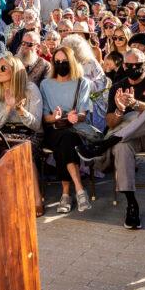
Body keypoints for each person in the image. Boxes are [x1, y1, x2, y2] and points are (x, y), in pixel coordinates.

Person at [77, 49, 145, 229]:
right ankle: (131, 204)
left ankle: (106, 144)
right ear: (123, 65)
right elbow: (111, 123)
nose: (134, 68)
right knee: (121, 147)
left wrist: (134, 104)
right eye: (129, 65)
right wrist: (119, 109)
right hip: (129, 138)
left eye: (138, 65)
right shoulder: (117, 86)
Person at [0, 56, 45, 216]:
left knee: (24, 150)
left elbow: (36, 124)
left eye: (3, 68)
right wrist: (7, 109)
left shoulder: (30, 89)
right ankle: (2, 200)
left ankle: (36, 198)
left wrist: (21, 110)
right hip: (4, 133)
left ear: (15, 70)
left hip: (29, 133)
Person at [40, 46, 92, 213]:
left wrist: (75, 117)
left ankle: (66, 194)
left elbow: (83, 112)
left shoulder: (82, 82)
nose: (61, 64)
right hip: (53, 128)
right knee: (64, 138)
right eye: (58, 62)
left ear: (72, 62)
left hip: (74, 128)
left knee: (67, 139)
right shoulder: (46, 84)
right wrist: (55, 117)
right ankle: (79, 189)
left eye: (65, 61)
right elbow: (45, 116)